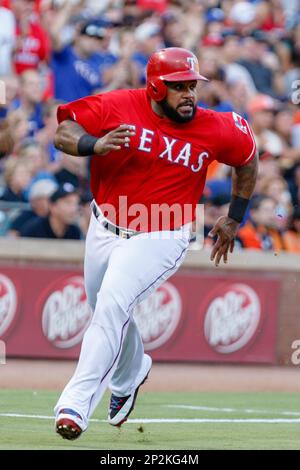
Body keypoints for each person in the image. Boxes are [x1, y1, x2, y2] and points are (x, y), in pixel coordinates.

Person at [53, 47, 258, 440]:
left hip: (163, 231)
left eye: (192, 86)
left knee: (112, 304)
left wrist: (234, 216)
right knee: (108, 310)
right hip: (104, 226)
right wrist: (93, 145)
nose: (189, 94)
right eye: (178, 86)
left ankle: (75, 405)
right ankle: (131, 373)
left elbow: (248, 158)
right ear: (154, 87)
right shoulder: (118, 105)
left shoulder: (217, 126)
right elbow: (64, 131)